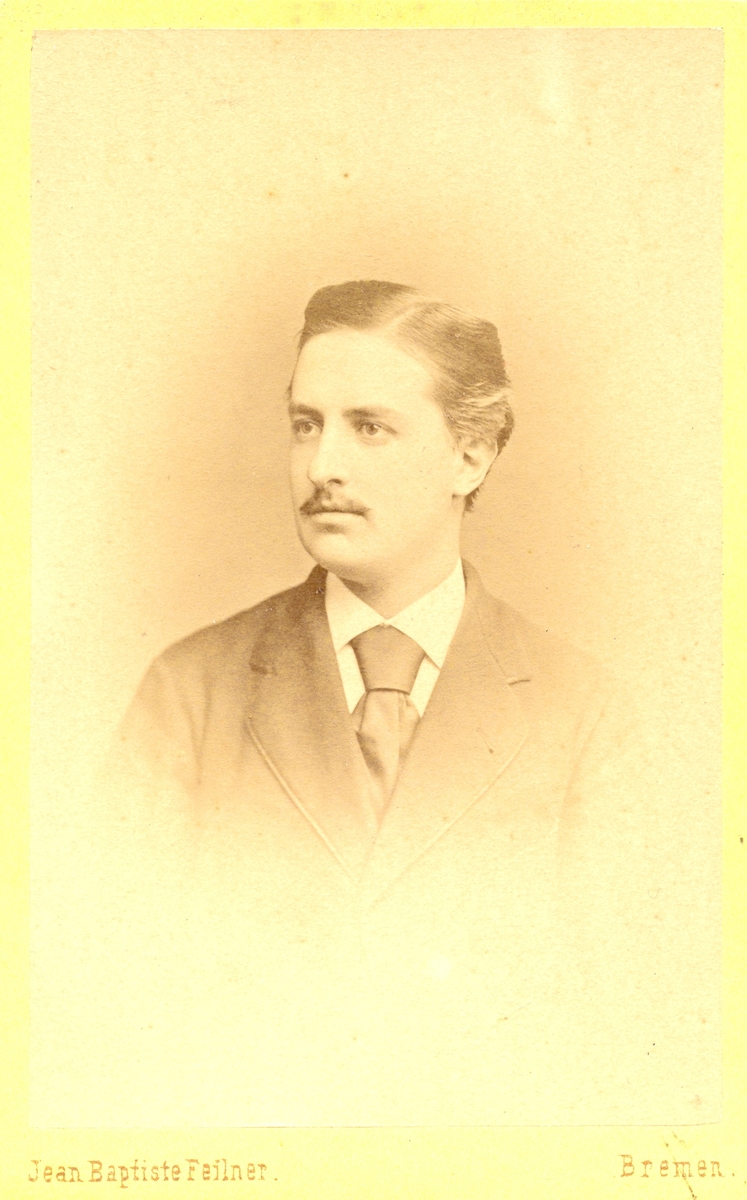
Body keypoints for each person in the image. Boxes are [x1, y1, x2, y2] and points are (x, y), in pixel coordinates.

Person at [96, 281, 699, 1126]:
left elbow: (629, 1028)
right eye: (306, 424)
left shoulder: (583, 714)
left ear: (471, 456)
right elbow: (111, 1002)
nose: (322, 465)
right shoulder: (189, 691)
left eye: (369, 427)